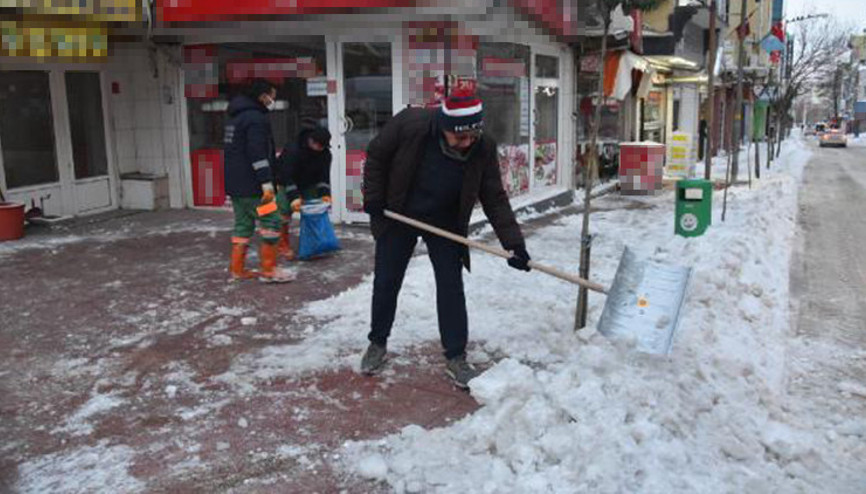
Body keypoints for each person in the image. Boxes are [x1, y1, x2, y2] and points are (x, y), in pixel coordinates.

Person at [359, 88, 532, 389]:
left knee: (451, 286)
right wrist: (374, 199)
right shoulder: (410, 125)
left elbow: (494, 196)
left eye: (471, 136)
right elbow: (376, 156)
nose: (466, 144)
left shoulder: (482, 146)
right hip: (400, 212)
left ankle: (455, 357)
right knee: (387, 280)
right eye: (459, 138)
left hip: (446, 219)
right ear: (443, 127)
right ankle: (377, 342)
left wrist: (514, 243)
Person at [223, 78, 292, 283]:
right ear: (262, 96)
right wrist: (266, 182)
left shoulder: (234, 118)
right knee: (271, 221)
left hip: (236, 186)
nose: (272, 100)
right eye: (272, 96)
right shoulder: (255, 119)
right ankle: (269, 269)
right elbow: (257, 152)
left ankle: (237, 269)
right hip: (255, 188)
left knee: (243, 224)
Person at [275, 125, 333, 258]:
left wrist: (325, 194)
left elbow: (323, 177)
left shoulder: (325, 154)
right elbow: (286, 175)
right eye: (318, 145)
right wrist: (294, 197)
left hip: (309, 183)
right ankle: (282, 244)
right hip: (287, 181)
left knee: (314, 211)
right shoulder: (293, 150)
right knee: (283, 213)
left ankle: (314, 243)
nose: (320, 149)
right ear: (311, 141)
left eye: (322, 147)